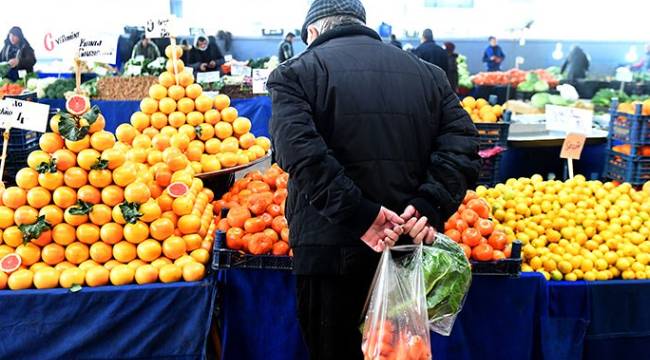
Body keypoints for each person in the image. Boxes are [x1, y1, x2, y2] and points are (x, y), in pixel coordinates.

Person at [267, 0, 481, 358]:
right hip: (408, 250)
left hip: (329, 254)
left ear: (313, 31)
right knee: (398, 351)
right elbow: (463, 145)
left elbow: (300, 154)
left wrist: (361, 215)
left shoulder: (295, 73)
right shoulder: (428, 74)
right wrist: (429, 205)